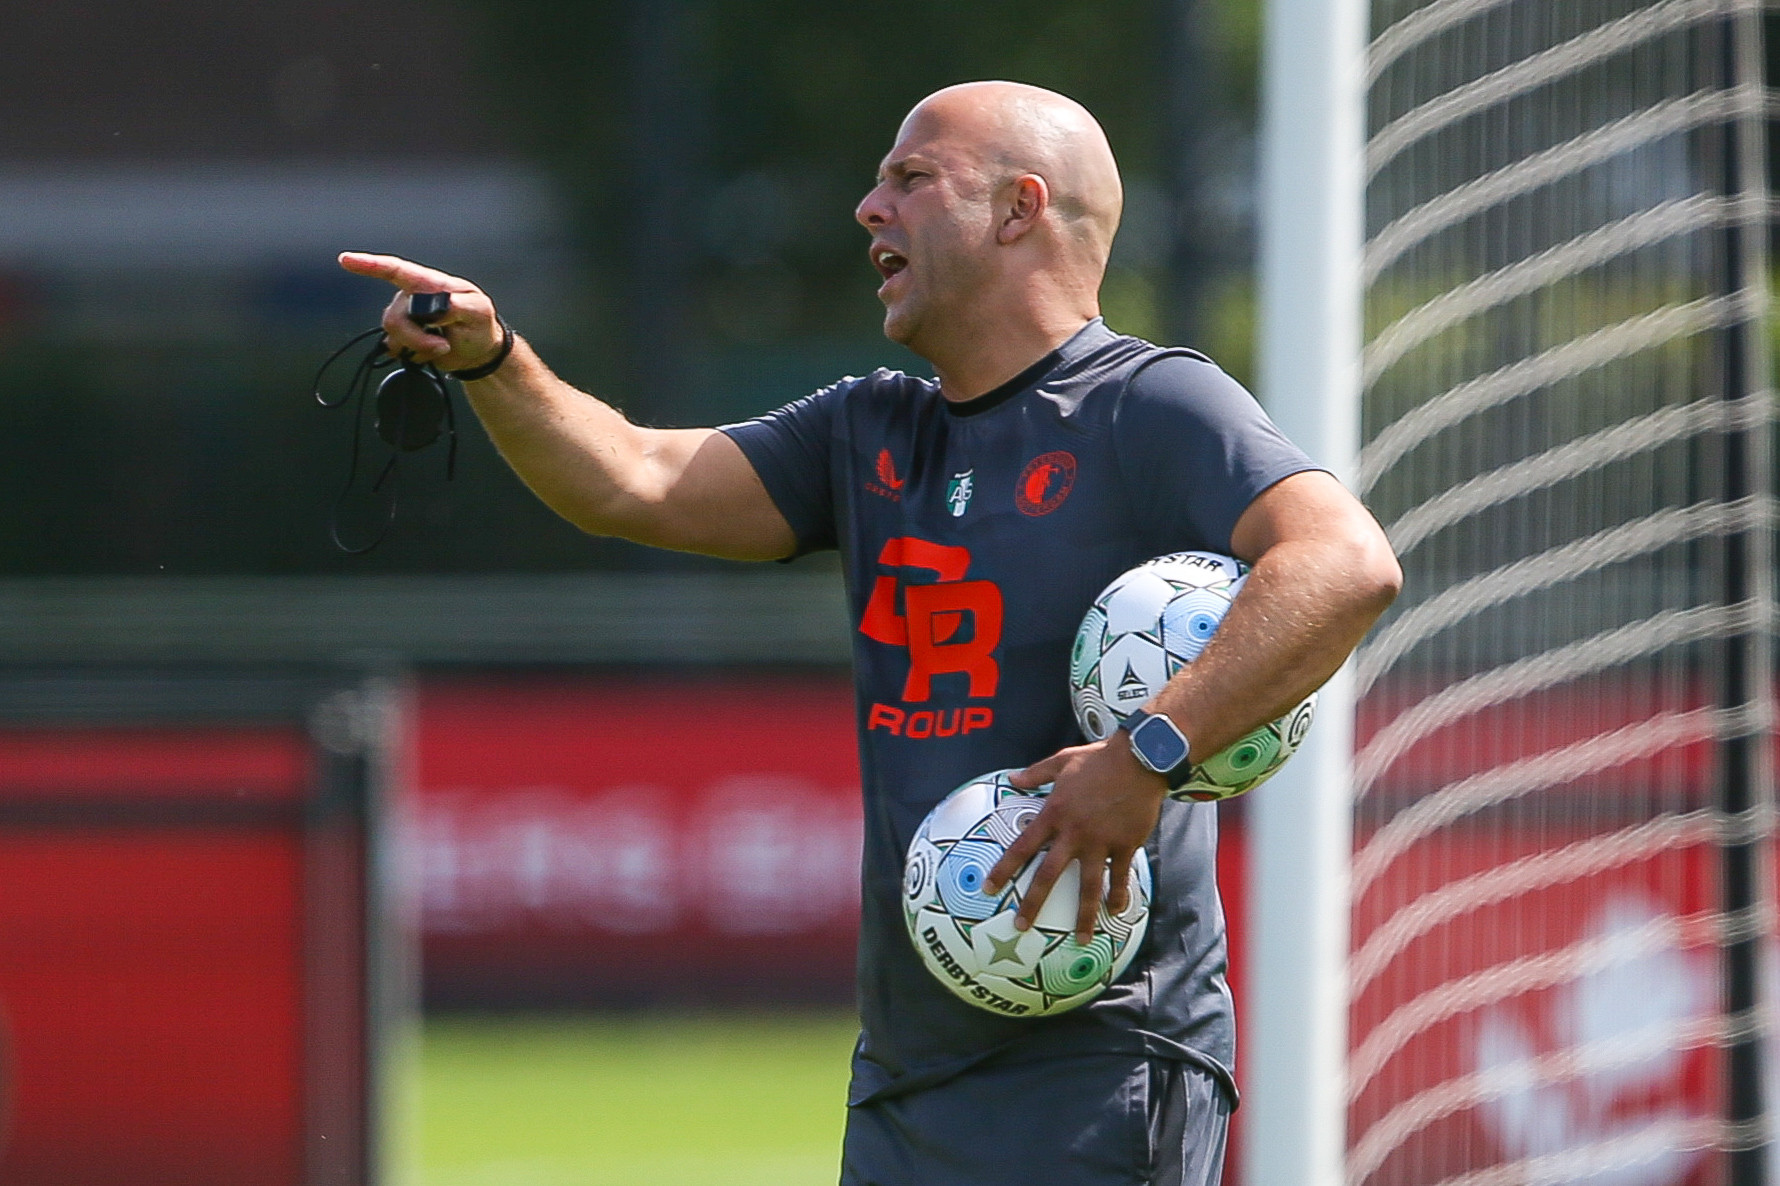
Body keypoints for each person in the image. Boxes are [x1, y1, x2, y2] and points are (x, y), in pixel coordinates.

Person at [342, 80, 1400, 1186]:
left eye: (910, 178)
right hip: (907, 1071)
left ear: (1018, 209)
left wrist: (1149, 753)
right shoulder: (868, 426)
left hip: (1094, 1060)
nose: (867, 208)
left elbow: (1343, 562)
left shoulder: (1153, 404)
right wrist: (493, 359)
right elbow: (636, 481)